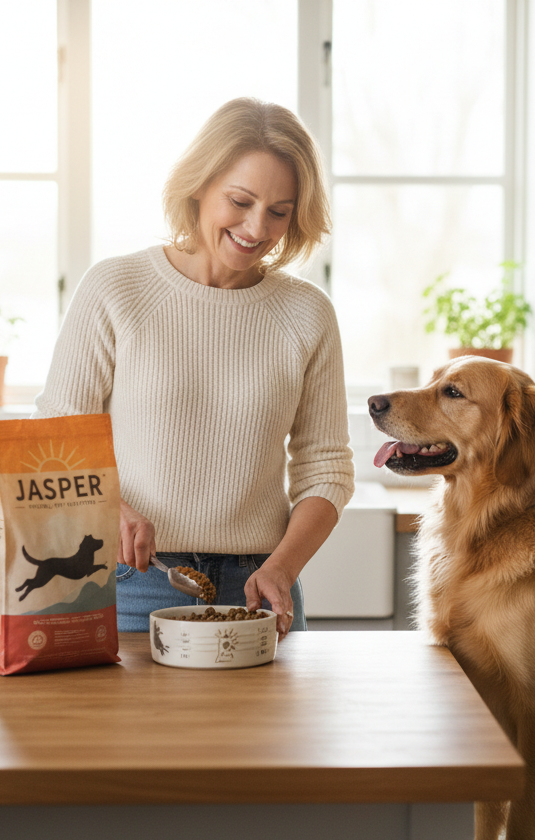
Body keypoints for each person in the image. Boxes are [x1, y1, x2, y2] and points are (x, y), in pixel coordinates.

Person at [34, 97, 354, 638]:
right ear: (199, 184)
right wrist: (109, 507)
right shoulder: (116, 289)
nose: (257, 228)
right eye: (240, 200)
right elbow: (54, 439)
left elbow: (326, 467)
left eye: (279, 211)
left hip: (260, 584)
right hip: (131, 580)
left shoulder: (307, 313)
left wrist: (284, 567)